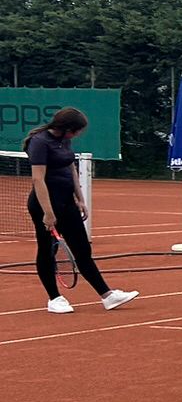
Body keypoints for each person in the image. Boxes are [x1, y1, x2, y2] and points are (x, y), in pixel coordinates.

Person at [21, 108, 137, 314]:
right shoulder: (40, 142)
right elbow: (38, 179)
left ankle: (107, 296)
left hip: (67, 204)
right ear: (67, 129)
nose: (78, 134)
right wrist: (48, 213)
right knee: (47, 251)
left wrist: (80, 199)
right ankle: (54, 298)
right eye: (77, 130)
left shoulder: (64, 140)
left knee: (83, 250)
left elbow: (70, 168)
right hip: (44, 204)